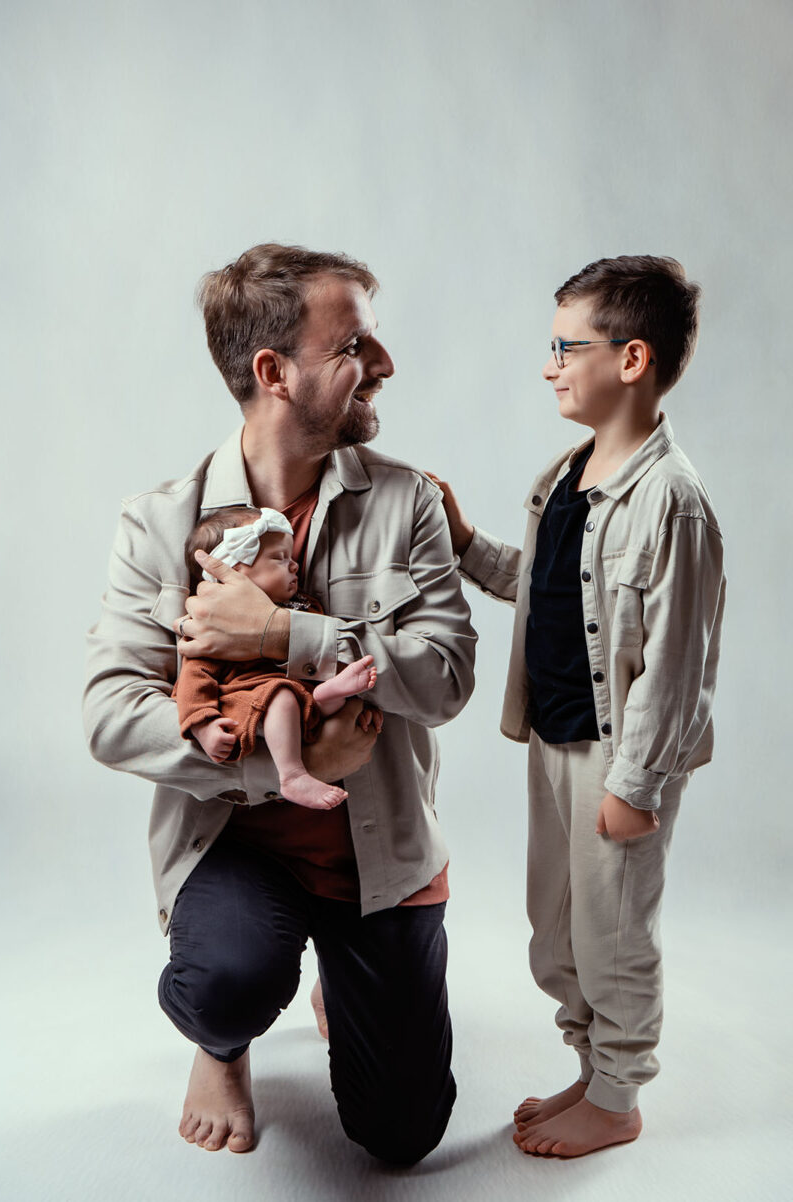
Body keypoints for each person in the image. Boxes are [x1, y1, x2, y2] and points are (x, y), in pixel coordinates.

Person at [83, 243, 476, 1163]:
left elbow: (448, 675)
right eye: (355, 346)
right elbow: (109, 709)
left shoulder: (407, 502)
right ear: (274, 372)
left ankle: (345, 981)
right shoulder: (161, 523)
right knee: (226, 981)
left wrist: (283, 638)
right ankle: (221, 1044)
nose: (382, 364)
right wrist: (279, 763)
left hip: (381, 856)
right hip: (235, 844)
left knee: (403, 1136)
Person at [430, 255, 725, 1158]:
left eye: (567, 347)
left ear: (631, 360)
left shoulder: (672, 505)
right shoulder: (566, 474)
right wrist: (471, 544)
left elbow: (678, 665)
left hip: (614, 756)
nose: (549, 364)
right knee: (554, 924)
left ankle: (619, 1094)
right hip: (551, 739)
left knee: (613, 931)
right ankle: (590, 1064)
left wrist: (636, 784)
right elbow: (557, 592)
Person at [176, 505, 382, 810]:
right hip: (247, 699)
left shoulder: (303, 607)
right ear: (233, 571)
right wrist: (203, 726)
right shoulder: (211, 624)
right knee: (282, 696)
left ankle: (336, 693)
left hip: (304, 699)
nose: (294, 565)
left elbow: (318, 653)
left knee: (314, 695)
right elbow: (193, 681)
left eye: (291, 557)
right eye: (279, 558)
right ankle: (292, 774)